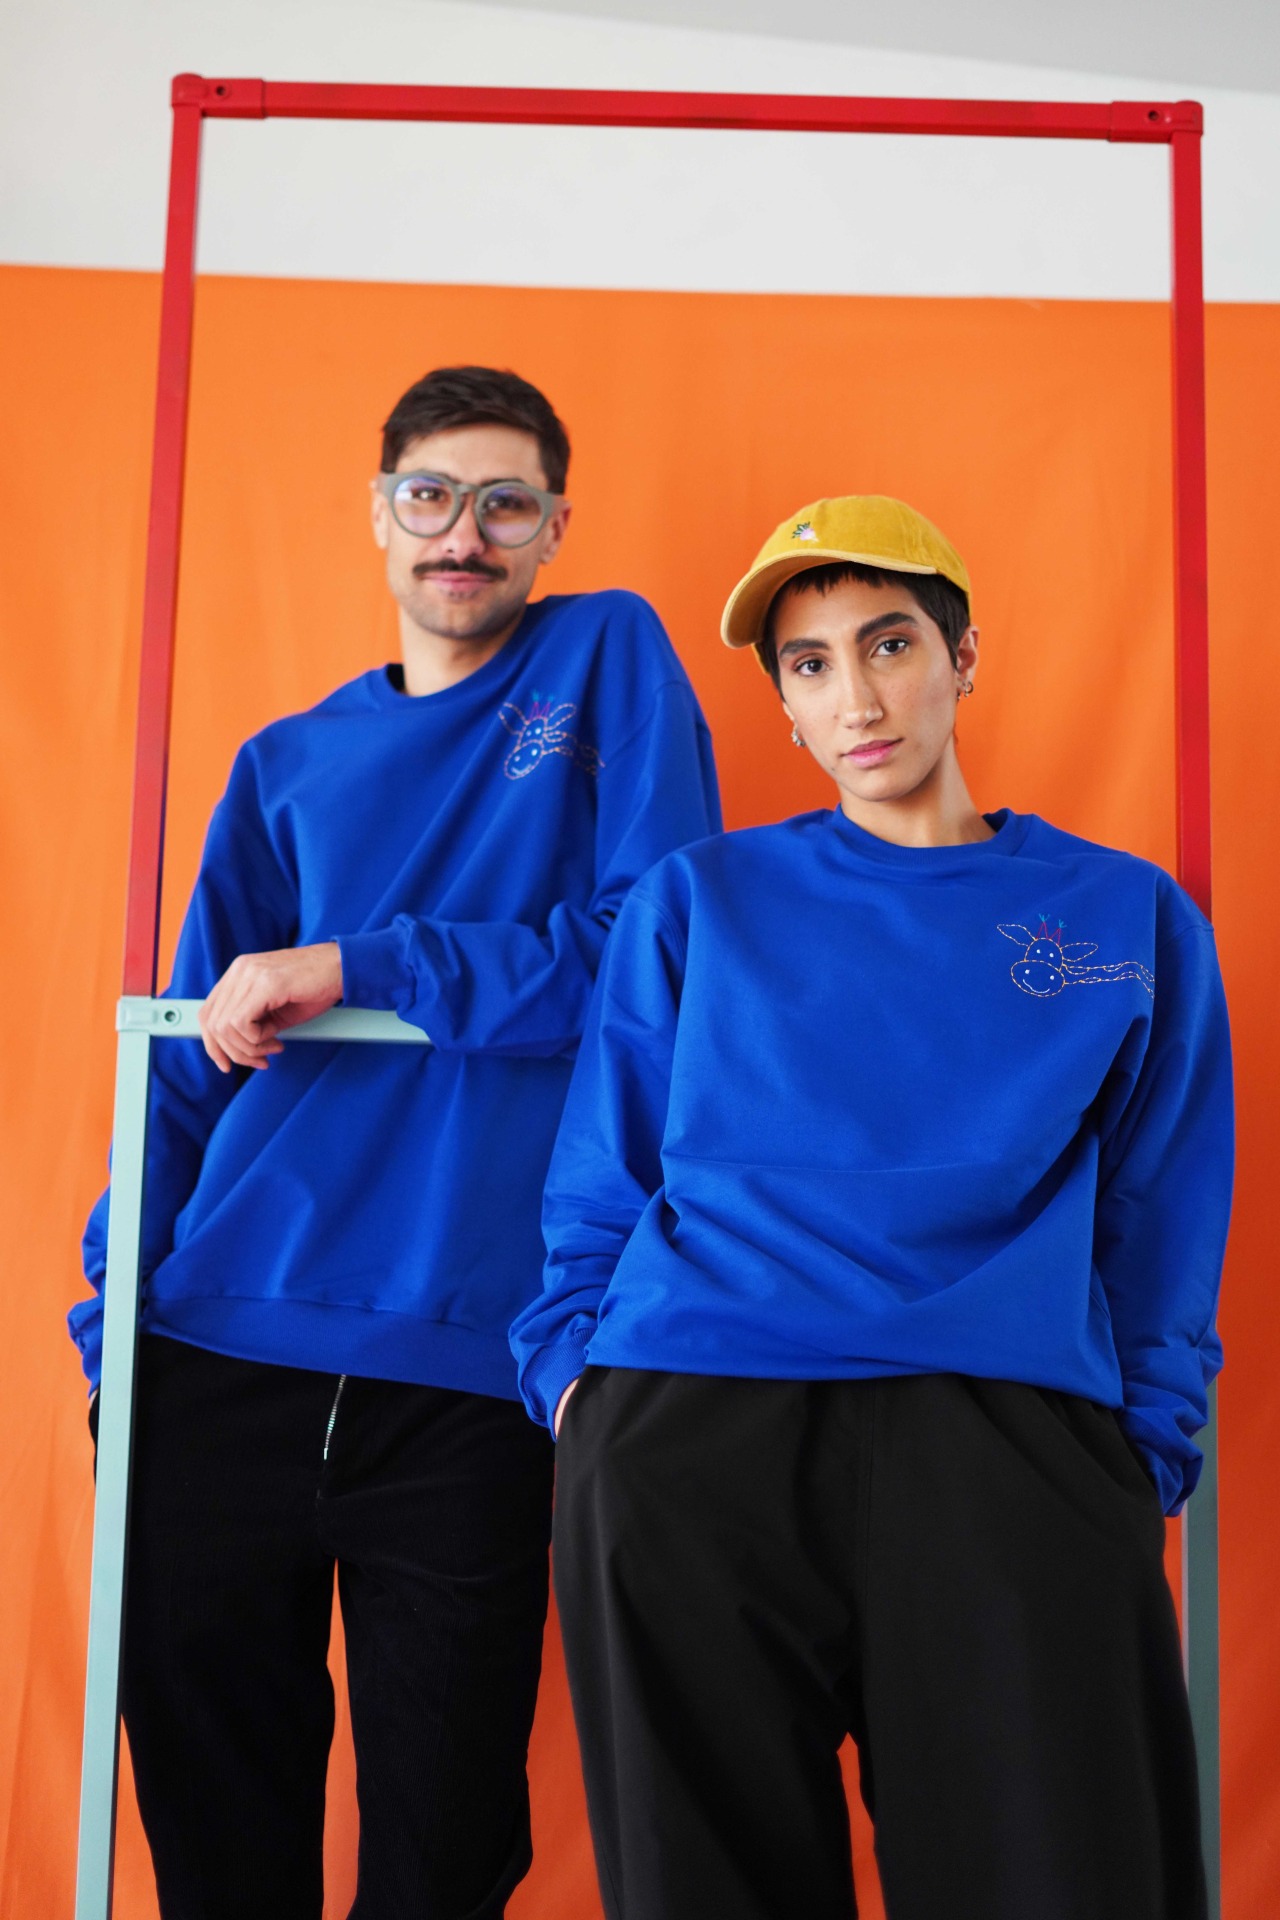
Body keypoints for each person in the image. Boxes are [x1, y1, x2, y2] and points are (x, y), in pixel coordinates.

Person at [511, 494, 1232, 1920]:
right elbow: (602, 1173)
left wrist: (1140, 1453)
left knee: (1062, 1880)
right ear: (784, 705)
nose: (857, 696)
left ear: (963, 658)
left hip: (1006, 1436)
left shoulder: (1125, 915)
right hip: (693, 1428)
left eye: (889, 644)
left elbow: (1159, 1215)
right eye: (811, 663)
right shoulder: (699, 898)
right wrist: (579, 1392)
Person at [70, 364, 721, 1920]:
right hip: (214, 1347)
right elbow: (188, 1056)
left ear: (555, 525)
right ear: (379, 515)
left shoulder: (605, 656)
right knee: (219, 1847)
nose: (464, 533)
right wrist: (112, 1325)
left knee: (440, 1852)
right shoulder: (284, 762)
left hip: (473, 1364)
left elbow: (656, 958)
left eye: (506, 503)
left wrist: (362, 965)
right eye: (431, 496)